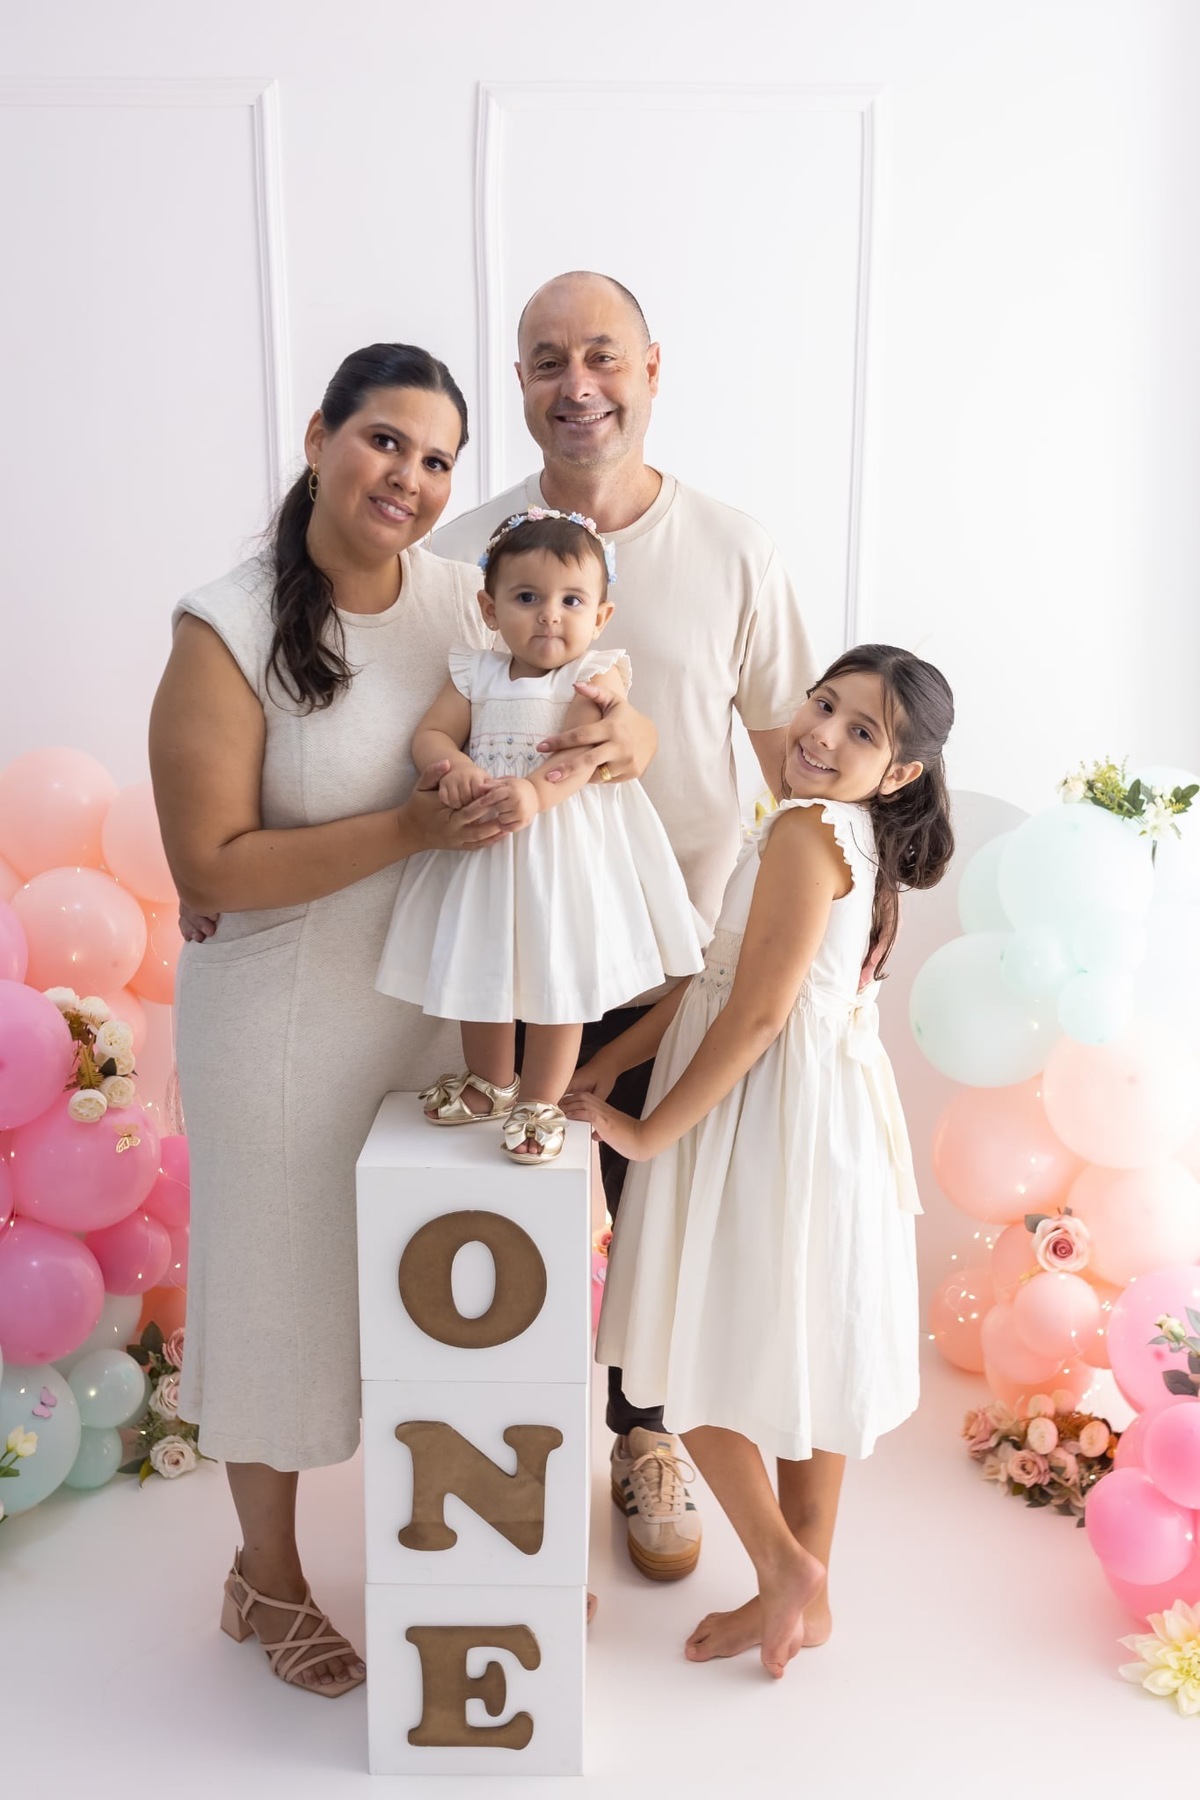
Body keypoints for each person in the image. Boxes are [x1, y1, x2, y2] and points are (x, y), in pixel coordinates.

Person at [150, 343, 653, 1698]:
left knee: (449, 1306)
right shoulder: (228, 624)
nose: (413, 479)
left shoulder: (464, 600)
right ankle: (267, 1574)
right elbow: (211, 867)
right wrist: (410, 827)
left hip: (450, 1008)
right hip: (290, 1017)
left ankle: (490, 1562)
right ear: (318, 439)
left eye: (437, 458)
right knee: (285, 1300)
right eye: (384, 441)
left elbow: (595, 704)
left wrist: (612, 751)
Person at [434, 270, 818, 1577]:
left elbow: (790, 750)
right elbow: (408, 729)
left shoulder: (732, 545)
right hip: (511, 937)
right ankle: (496, 1458)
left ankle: (645, 1439)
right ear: (522, 384)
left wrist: (837, 895)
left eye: (601, 354)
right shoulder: (462, 555)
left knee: (652, 1208)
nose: (575, 382)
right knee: (500, 1198)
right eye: (545, 360)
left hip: (680, 952)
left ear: (654, 367)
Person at [563, 645, 955, 1677]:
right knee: (804, 1352)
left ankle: (784, 1567)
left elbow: (753, 1012)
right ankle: (803, 1592)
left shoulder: (803, 828)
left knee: (680, 1351)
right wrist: (610, 1060)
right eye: (824, 706)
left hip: (768, 1114)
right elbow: (714, 979)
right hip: (829, 1119)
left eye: (861, 732)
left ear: (901, 772)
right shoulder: (858, 837)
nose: (822, 735)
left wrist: (650, 1132)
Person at [376, 507, 703, 1161]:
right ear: (490, 608)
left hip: (562, 849)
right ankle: (491, 1081)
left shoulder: (595, 673)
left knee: (560, 976)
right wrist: (455, 765)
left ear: (601, 616)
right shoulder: (476, 672)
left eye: (571, 600)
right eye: (527, 598)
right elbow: (432, 733)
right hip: (487, 851)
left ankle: (540, 1101)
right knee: (482, 965)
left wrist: (533, 791)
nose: (550, 615)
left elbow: (581, 755)